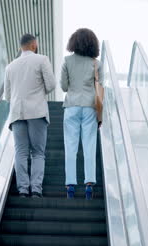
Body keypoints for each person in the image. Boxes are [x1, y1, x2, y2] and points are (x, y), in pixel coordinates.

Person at [4, 33, 56, 198]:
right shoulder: (42, 60)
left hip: (17, 113)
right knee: (38, 152)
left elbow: (7, 96)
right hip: (37, 112)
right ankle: (36, 189)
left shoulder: (10, 66)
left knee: (21, 152)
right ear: (34, 45)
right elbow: (51, 85)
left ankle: (23, 190)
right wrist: (39, 92)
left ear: (21, 46)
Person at [60, 28, 103, 200]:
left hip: (71, 106)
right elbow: (101, 86)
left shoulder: (67, 61)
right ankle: (89, 184)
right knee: (89, 145)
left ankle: (70, 185)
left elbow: (63, 86)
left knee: (70, 146)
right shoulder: (96, 64)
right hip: (90, 106)